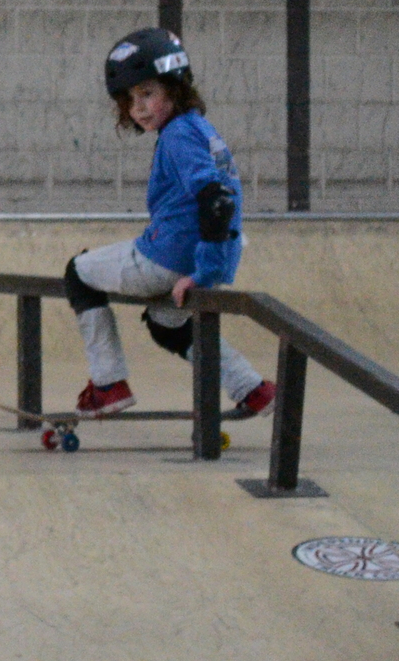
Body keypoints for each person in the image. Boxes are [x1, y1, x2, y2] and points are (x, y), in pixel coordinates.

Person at [62, 28, 276, 420]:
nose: (138, 108)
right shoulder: (201, 130)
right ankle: (253, 389)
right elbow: (225, 205)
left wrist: (203, 272)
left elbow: (216, 202)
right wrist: (212, 269)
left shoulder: (178, 136)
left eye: (147, 93)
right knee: (167, 325)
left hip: (169, 257)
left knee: (78, 272)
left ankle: (108, 385)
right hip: (206, 254)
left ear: (175, 88)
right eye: (129, 99)